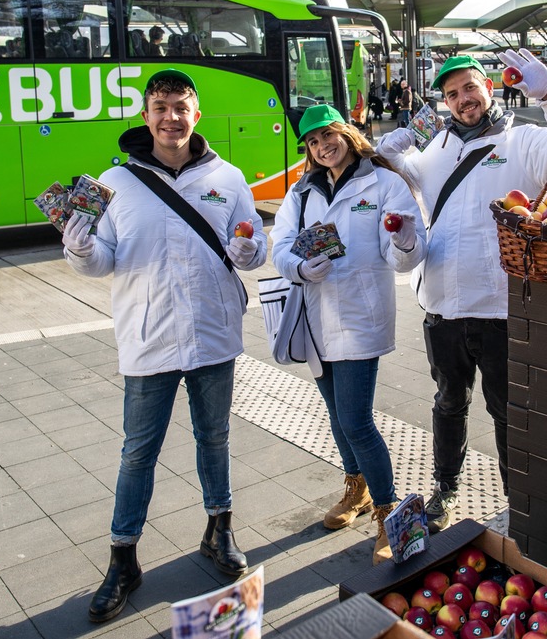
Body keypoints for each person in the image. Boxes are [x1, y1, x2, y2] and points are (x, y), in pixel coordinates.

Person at [63, 69, 268, 622]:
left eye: (181, 106)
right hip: (148, 337)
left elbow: (252, 239)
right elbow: (102, 258)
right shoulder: (115, 183)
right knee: (137, 454)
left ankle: (219, 530)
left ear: (196, 114)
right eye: (160, 106)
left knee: (215, 438)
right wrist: (81, 250)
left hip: (212, 333)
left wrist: (251, 253)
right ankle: (123, 560)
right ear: (145, 114)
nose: (171, 117)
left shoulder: (227, 177)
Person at [376, 50, 547, 532]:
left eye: (470, 88)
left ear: (489, 88)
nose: (463, 100)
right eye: (452, 94)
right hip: (442, 307)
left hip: (505, 311)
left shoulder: (524, 141)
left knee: (508, 411)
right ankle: (446, 488)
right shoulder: (435, 149)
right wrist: (391, 149)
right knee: (447, 404)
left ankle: (516, 496)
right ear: (445, 102)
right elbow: (398, 176)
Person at [270, 104, 426, 564]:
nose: (323, 146)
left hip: (361, 318)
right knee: (338, 419)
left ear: (347, 133)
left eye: (328, 135)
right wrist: (298, 266)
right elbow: (279, 246)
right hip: (315, 321)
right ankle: (355, 489)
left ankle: (387, 509)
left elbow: (404, 255)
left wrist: (403, 241)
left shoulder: (383, 183)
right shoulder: (300, 193)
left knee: (357, 421)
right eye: (313, 142)